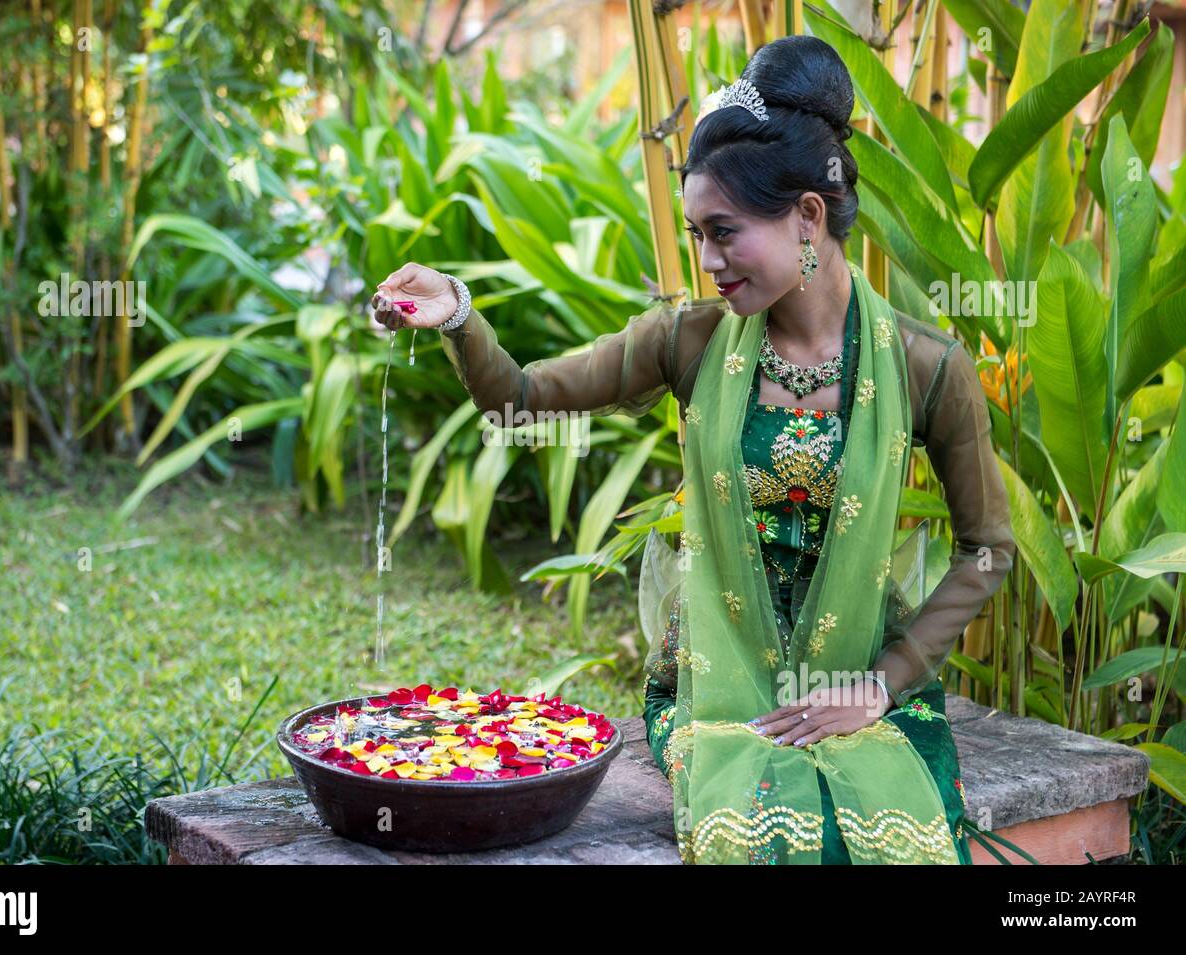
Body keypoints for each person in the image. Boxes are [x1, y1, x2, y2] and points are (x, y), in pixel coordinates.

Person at [370, 34, 1014, 865]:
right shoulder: (691, 339)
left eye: (724, 232)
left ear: (808, 216)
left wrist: (882, 683)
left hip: (863, 683)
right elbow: (520, 401)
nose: (706, 262)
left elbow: (989, 551)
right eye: (695, 234)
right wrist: (456, 312)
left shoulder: (927, 366)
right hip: (718, 693)